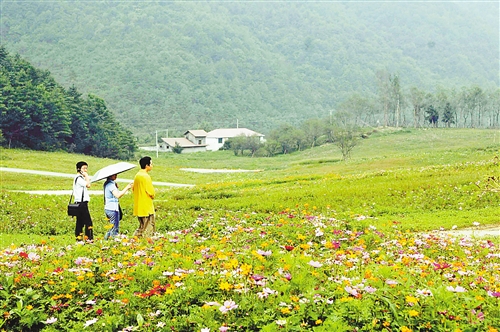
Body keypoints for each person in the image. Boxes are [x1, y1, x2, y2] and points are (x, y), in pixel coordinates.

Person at [103, 174, 133, 240]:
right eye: (114, 175)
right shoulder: (111, 185)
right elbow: (118, 195)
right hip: (113, 209)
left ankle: (106, 240)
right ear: (110, 175)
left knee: (111, 227)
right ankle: (113, 242)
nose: (116, 176)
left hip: (108, 208)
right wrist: (127, 188)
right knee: (114, 229)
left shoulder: (107, 183)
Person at [132, 156, 156, 237]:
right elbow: (151, 192)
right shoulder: (146, 176)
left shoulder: (137, 175)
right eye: (151, 164)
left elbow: (133, 188)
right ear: (147, 165)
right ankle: (146, 242)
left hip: (139, 207)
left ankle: (133, 240)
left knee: (142, 226)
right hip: (146, 207)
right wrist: (153, 195)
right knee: (149, 227)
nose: (152, 165)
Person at [73, 161, 93, 242]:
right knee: (88, 222)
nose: (85, 170)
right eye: (84, 168)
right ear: (79, 169)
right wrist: (86, 176)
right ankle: (89, 239)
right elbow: (88, 185)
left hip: (80, 203)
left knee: (80, 222)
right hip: (81, 204)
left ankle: (79, 239)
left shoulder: (79, 178)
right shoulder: (79, 178)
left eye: (86, 168)